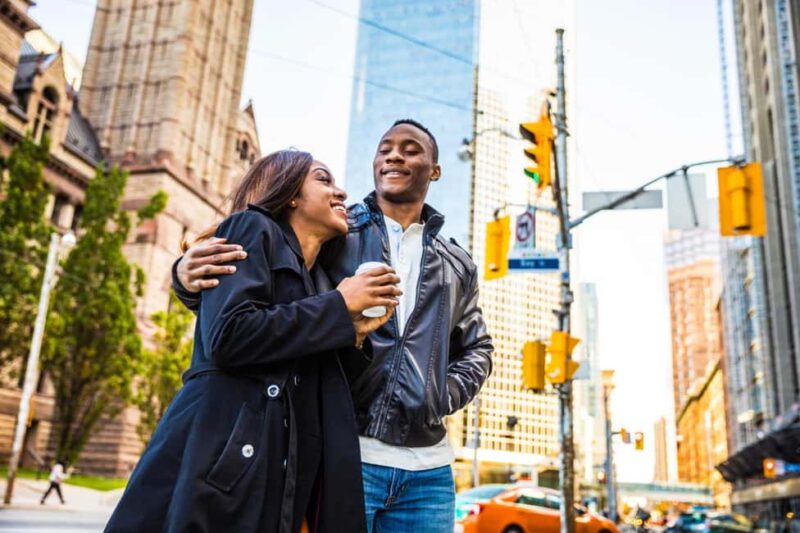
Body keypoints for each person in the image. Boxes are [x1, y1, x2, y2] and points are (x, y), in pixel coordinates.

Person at [175, 120, 494, 532]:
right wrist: (183, 277)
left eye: (411, 149)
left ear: (434, 169)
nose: (395, 155)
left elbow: (478, 348)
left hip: (428, 469)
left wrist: (437, 396)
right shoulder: (339, 231)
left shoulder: (457, 263)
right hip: (342, 451)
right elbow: (261, 279)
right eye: (385, 148)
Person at [106, 150, 401, 533]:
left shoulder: (321, 280)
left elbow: (323, 381)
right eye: (323, 179)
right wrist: (339, 307)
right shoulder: (251, 228)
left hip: (281, 476)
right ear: (291, 193)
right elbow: (229, 337)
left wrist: (356, 333)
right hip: (223, 463)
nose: (341, 192)